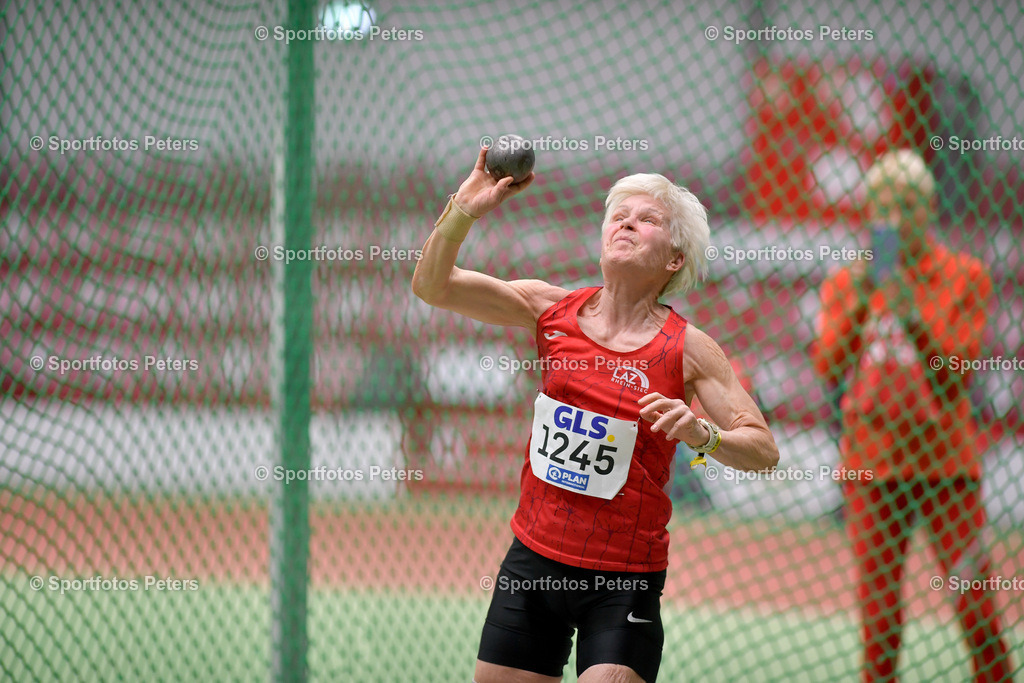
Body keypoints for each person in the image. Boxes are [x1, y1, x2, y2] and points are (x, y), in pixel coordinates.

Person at [412, 147, 779, 683]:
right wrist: (463, 210)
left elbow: (765, 452)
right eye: (618, 215)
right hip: (534, 560)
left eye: (647, 219)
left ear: (674, 259)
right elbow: (432, 286)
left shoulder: (690, 350)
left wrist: (704, 435)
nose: (627, 221)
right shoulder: (549, 310)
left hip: (624, 577)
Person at [812, 149, 1013, 682]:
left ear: (928, 210)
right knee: (879, 618)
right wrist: (860, 301)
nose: (894, 219)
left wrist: (913, 318)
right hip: (871, 468)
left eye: (907, 206)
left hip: (946, 467)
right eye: (883, 206)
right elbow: (829, 366)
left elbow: (958, 373)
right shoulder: (849, 280)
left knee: (976, 606)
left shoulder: (963, 276)